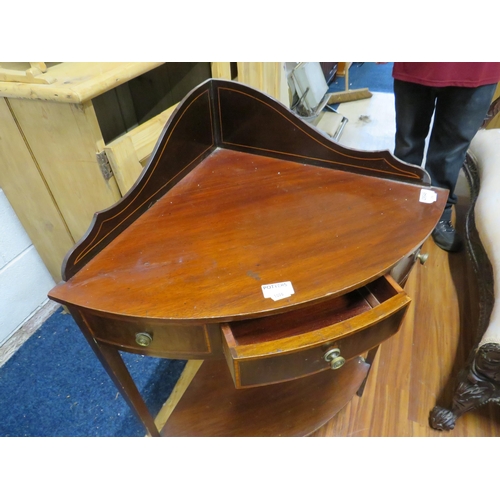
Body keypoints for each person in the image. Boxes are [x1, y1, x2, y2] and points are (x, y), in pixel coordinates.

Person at [391, 62, 500, 252]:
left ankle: (438, 210)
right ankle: (402, 204)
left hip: (479, 66)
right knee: (407, 144)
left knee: (451, 152)